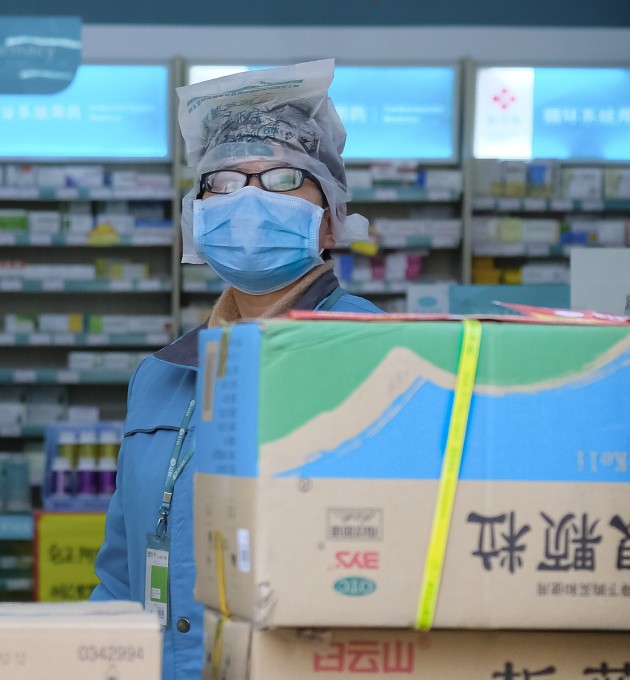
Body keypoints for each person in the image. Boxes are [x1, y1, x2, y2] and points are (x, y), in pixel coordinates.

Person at [90, 60, 380, 679]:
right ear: (198, 219)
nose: (248, 200)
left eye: (281, 178)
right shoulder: (160, 377)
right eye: (221, 183)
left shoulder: (377, 353)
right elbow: (121, 572)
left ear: (330, 216)